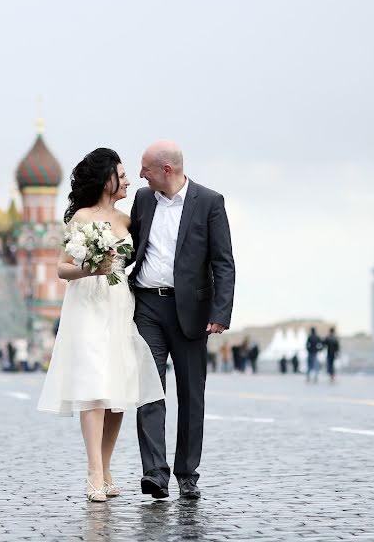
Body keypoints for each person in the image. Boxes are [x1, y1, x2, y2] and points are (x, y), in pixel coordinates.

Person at [37, 149, 166, 502]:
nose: (127, 181)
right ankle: (94, 470)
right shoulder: (80, 218)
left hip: (120, 306)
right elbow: (62, 268)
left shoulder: (127, 222)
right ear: (106, 178)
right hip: (87, 307)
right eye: (121, 175)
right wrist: (91, 268)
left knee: (117, 393)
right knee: (93, 387)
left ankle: (107, 466)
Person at [129, 141, 235, 501]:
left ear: (167, 170)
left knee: (191, 395)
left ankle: (187, 474)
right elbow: (130, 245)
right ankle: (155, 473)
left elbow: (223, 263)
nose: (140, 175)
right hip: (147, 307)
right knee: (149, 389)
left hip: (191, 313)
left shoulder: (209, 202)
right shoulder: (144, 200)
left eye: (145, 168)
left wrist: (220, 313)